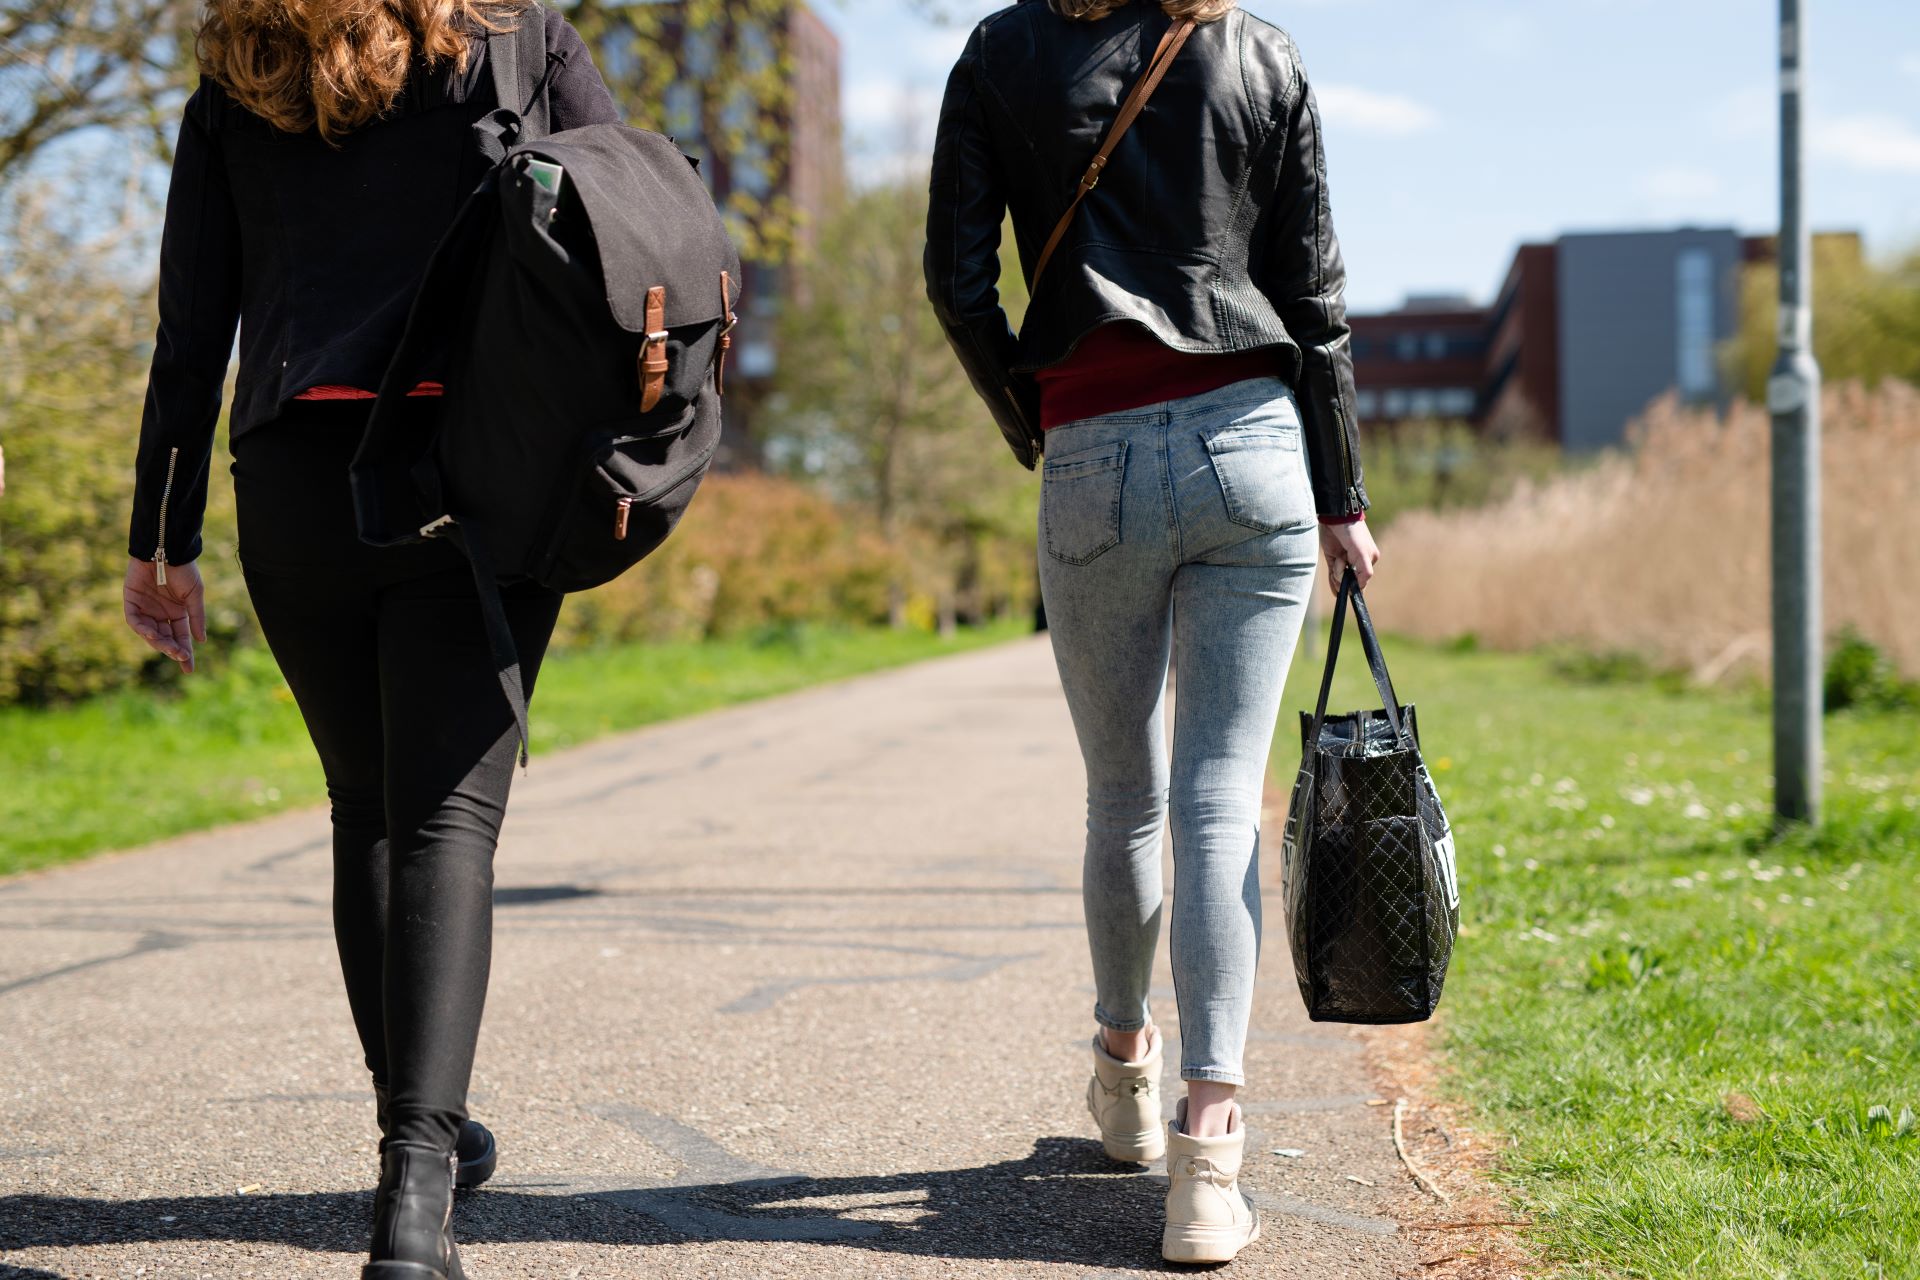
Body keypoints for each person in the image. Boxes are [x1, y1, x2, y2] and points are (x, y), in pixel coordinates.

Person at [120, 3, 618, 1275]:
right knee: (446, 815)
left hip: (293, 478)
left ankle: (421, 1137)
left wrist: (159, 535)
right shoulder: (515, 43)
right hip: (470, 464)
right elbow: (625, 234)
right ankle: (415, 1189)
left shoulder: (241, 65)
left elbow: (193, 326)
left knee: (369, 810)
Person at [926, 0, 1381, 1264]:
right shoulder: (1259, 51)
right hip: (1255, 448)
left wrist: (1043, 421)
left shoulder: (1001, 51)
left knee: (1122, 794)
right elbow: (1317, 295)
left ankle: (1125, 1074)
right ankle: (1208, 1161)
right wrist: (1343, 496)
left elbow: (956, 280)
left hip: (1093, 449)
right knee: (1220, 801)